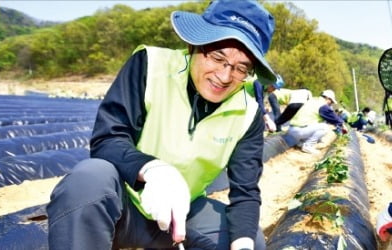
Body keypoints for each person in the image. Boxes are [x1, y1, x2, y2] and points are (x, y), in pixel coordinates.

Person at [47, 1, 277, 249]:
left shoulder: (248, 110)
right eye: (217, 57)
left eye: (241, 68)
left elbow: (246, 191)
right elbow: (107, 139)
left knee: (249, 239)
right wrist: (152, 170)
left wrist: (242, 244)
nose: (224, 76)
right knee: (88, 181)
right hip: (123, 207)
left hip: (183, 214)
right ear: (194, 45)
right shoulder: (150, 66)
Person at [284, 89, 347, 154]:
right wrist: (342, 125)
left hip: (292, 129)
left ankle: (301, 143)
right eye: (331, 102)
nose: (331, 104)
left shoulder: (313, 100)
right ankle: (308, 145)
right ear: (328, 98)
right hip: (299, 131)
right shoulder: (322, 105)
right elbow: (333, 117)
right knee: (324, 127)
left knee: (318, 123)